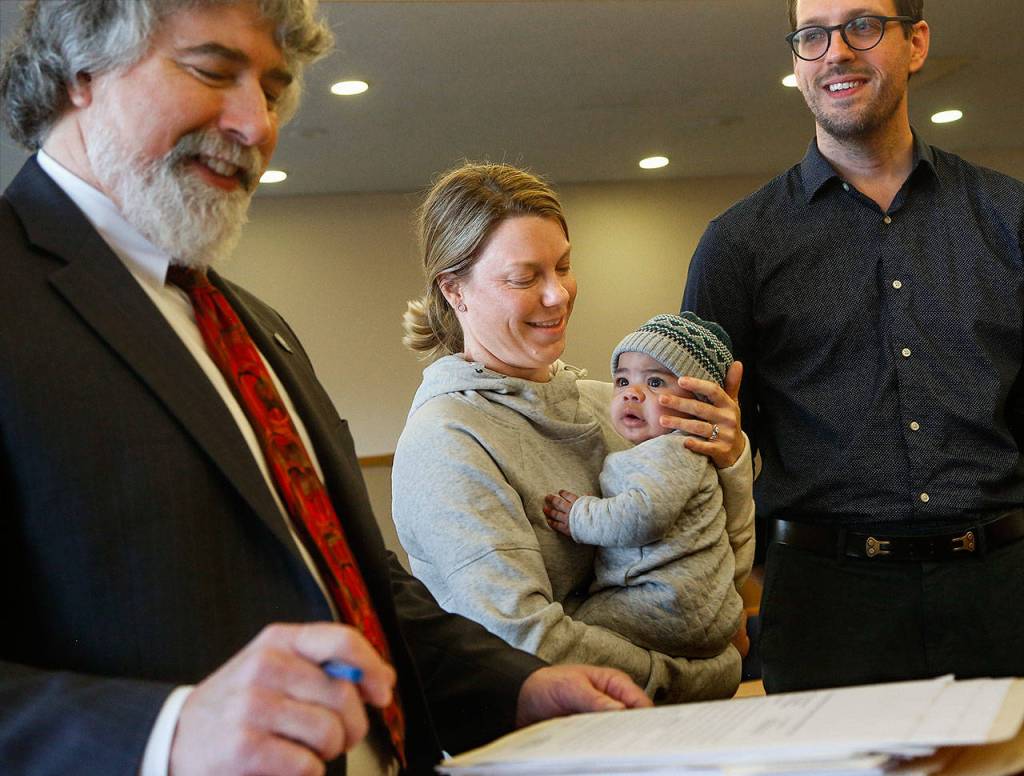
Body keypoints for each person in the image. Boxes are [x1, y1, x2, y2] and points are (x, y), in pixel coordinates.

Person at [0, 2, 653, 774]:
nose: (257, 125)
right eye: (213, 71)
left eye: (273, 90)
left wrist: (520, 686)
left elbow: (353, 584)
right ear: (81, 72)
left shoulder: (252, 326)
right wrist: (163, 733)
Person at [683, 0, 1024, 694]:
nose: (835, 51)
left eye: (862, 26)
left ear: (917, 42)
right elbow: (701, 445)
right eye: (813, 35)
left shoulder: (1009, 217)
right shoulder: (739, 245)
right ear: (797, 61)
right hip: (825, 607)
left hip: (1006, 587)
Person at [392, 162, 753, 704]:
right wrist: (704, 675)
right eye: (525, 277)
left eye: (563, 267)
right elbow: (525, 642)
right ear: (454, 291)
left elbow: (714, 573)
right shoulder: (446, 441)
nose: (559, 295)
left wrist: (731, 462)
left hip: (664, 734)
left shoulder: (616, 404)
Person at [542, 313, 755, 659]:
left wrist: (580, 516)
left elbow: (642, 516)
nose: (632, 394)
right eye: (623, 381)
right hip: (693, 607)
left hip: (666, 603)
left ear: (698, 406)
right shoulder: (667, 451)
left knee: (575, 629)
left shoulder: (674, 451)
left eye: (655, 383)